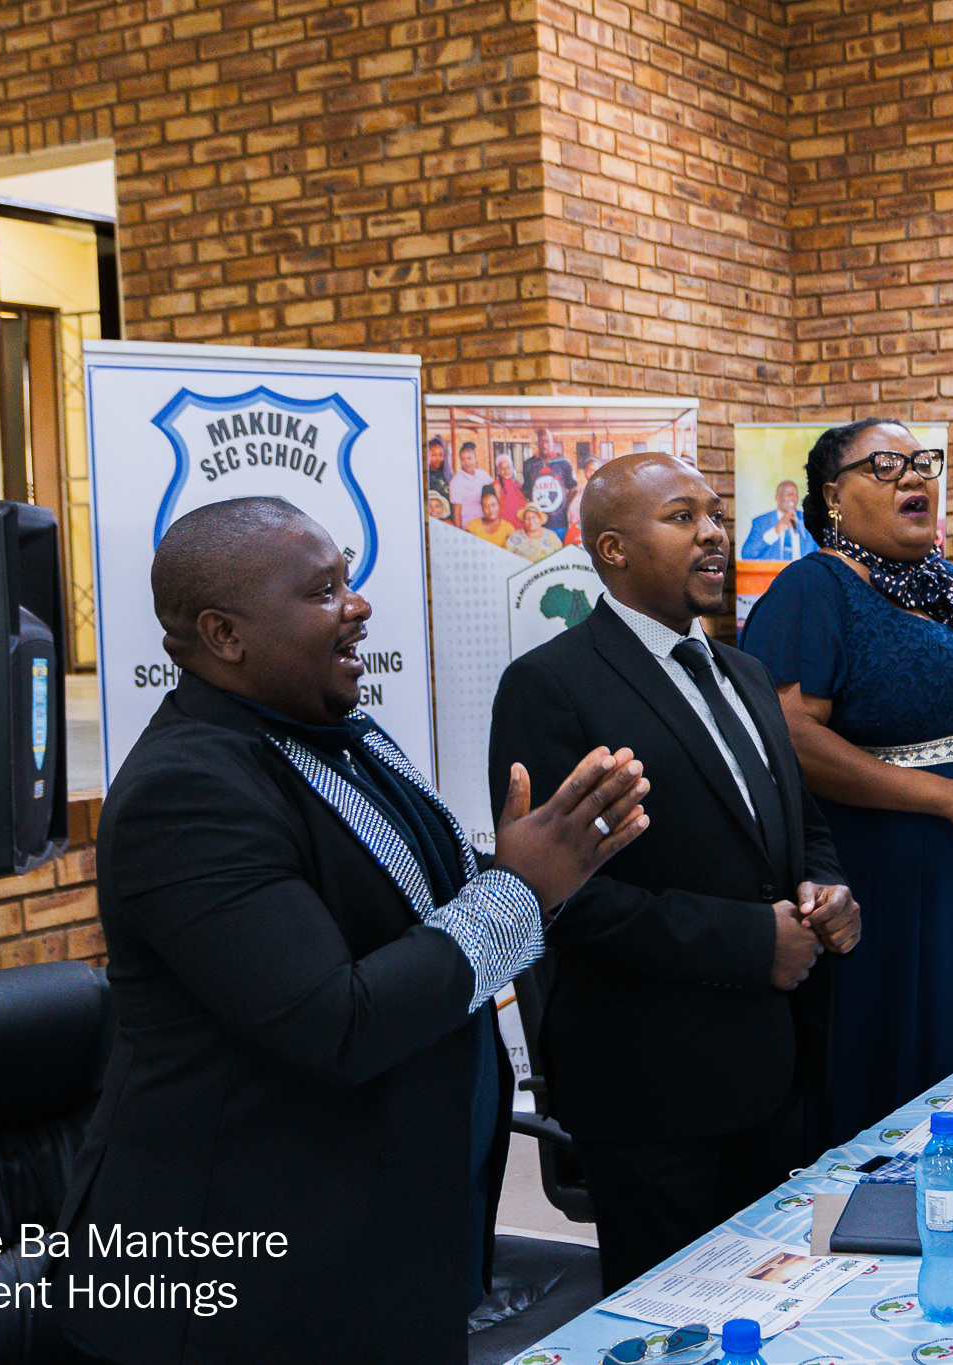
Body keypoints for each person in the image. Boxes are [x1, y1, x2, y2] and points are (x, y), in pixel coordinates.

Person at [56, 497, 649, 1363]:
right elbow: (338, 1023)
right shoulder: (185, 791)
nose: (358, 605)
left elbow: (431, 918)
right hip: (242, 1292)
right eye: (323, 590)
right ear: (225, 635)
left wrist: (542, 877)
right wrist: (519, 890)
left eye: (348, 578)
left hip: (380, 1243)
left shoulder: (333, 736)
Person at [489, 453, 859, 1293]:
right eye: (683, 516)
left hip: (776, 1066)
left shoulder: (746, 672)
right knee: (675, 1322)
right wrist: (750, 941)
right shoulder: (550, 685)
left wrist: (828, 892)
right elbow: (559, 896)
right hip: (651, 1084)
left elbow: (801, 824)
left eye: (716, 514)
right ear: (612, 549)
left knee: (776, 1303)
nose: (714, 534)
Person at [741, 418, 953, 1146]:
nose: (915, 476)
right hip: (888, 881)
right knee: (898, 1091)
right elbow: (790, 737)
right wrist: (948, 798)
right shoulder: (813, 589)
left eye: (922, 463)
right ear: (833, 495)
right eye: (886, 466)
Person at [740, 479, 817, 561]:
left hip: (801, 569)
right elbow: (747, 554)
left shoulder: (809, 520)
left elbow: (820, 553)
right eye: (787, 493)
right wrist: (775, 531)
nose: (792, 497)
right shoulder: (761, 523)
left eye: (795, 493)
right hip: (771, 569)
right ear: (776, 497)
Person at [448, 440, 492, 525]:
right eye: (463, 459)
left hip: (485, 524)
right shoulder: (456, 481)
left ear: (475, 458)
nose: (467, 463)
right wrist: (459, 531)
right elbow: (456, 512)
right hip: (468, 526)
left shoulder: (483, 475)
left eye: (469, 458)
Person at [492, 451, 529, 522]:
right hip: (505, 524)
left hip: (520, 523)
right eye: (502, 468)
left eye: (508, 467)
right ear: (498, 470)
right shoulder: (496, 485)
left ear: (512, 468)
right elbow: (494, 508)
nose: (506, 471)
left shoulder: (518, 484)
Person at [425, 434, 452, 505]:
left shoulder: (448, 474)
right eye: (434, 455)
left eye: (440, 455)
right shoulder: (425, 476)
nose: (438, 458)